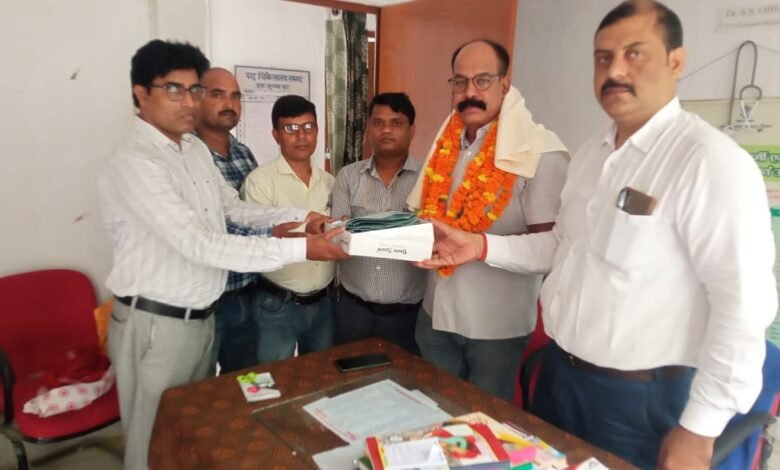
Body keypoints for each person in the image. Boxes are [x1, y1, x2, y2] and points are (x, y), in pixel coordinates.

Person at [417, 2, 777, 468]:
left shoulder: (709, 162)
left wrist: (701, 427)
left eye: (635, 53)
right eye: (603, 57)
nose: (616, 70)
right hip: (560, 378)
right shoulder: (592, 155)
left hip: (640, 399)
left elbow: (743, 305)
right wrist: (480, 245)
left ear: (676, 61)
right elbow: (559, 246)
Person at [98, 40, 347, 469]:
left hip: (203, 317)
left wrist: (301, 216)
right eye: (174, 89)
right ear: (141, 93)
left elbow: (232, 208)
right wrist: (301, 246)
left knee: (194, 427)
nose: (189, 101)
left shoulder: (193, 150)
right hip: (157, 324)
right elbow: (200, 243)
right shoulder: (136, 162)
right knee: (153, 441)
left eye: (194, 90)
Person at [406, 39, 569, 401]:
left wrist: (480, 246)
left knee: (483, 422)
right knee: (433, 410)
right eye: (460, 82)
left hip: (495, 327)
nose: (469, 93)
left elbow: (551, 251)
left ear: (504, 84)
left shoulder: (541, 153)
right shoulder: (445, 143)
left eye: (482, 81)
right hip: (435, 313)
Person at [195, 67, 289, 374]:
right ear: (197, 98)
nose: (230, 104)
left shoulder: (243, 152)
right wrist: (280, 236)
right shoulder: (187, 155)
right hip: (208, 298)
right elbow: (213, 228)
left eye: (236, 96)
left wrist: (293, 223)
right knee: (200, 385)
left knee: (247, 381)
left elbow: (251, 211)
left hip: (248, 290)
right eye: (218, 95)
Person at [241, 95, 336, 363]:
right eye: (291, 128)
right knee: (273, 379)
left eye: (308, 127)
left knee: (319, 375)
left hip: (323, 304)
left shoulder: (331, 182)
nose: (301, 136)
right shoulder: (260, 181)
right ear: (276, 134)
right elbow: (262, 239)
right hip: (276, 306)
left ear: (317, 130)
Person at [331, 92, 426, 355]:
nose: (386, 130)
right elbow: (338, 237)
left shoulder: (428, 180)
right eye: (377, 122)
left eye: (396, 123)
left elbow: (433, 238)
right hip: (352, 310)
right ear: (368, 129)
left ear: (411, 130)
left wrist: (362, 230)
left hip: (408, 314)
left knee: (404, 377)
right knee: (349, 374)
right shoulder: (348, 176)